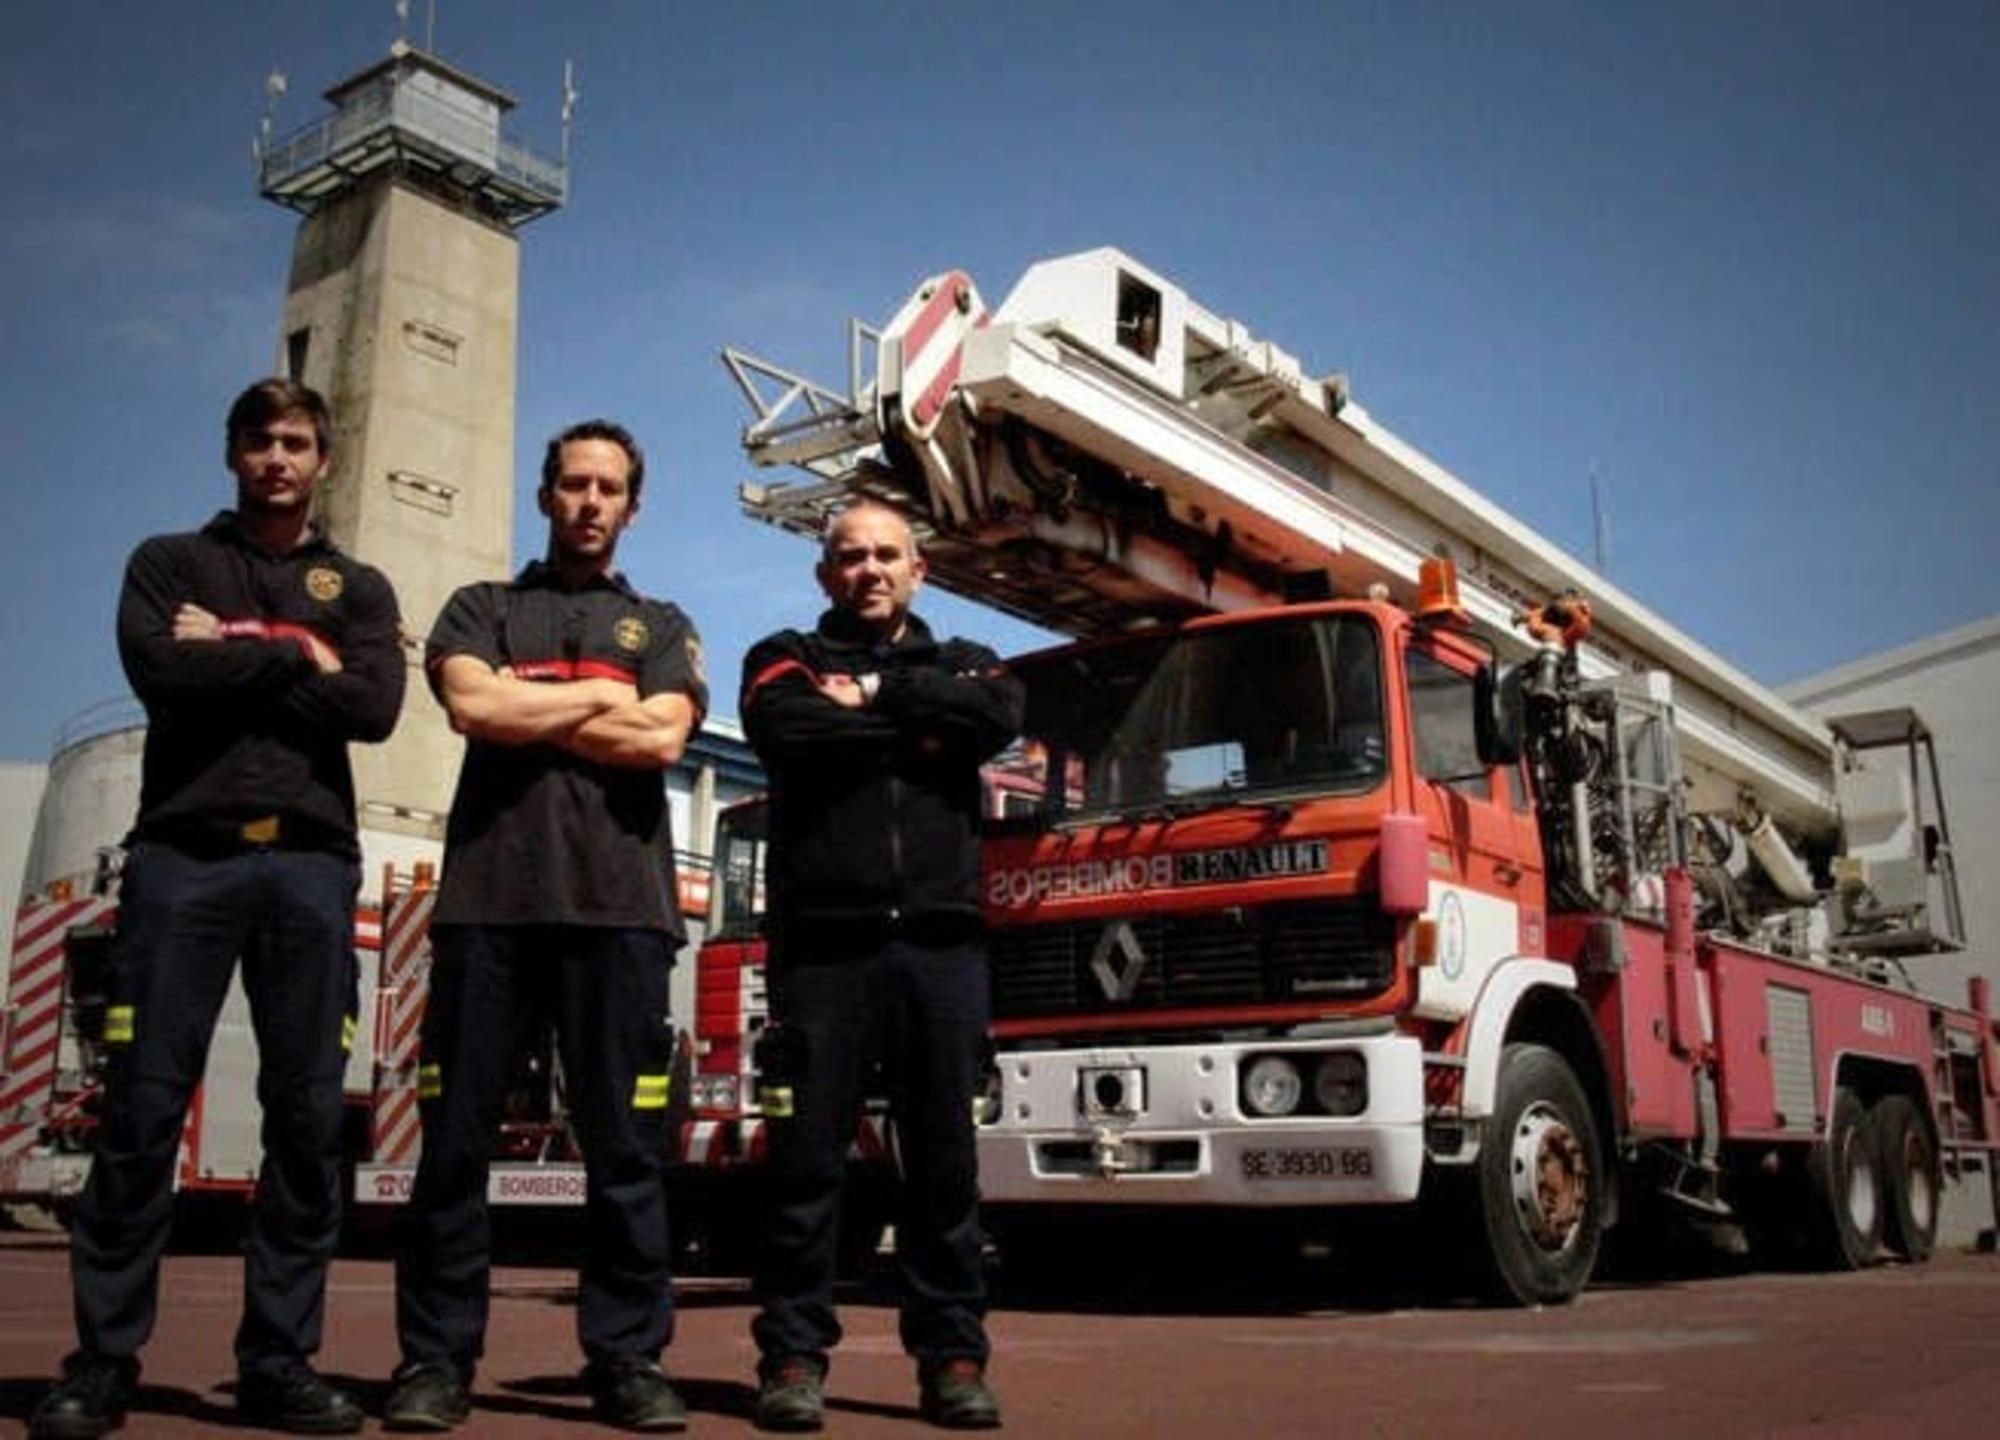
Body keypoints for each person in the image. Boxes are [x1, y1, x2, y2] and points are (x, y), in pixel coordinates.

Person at [31, 379, 405, 1440]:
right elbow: (160, 674)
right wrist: (300, 653)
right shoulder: (167, 564)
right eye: (259, 442)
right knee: (142, 1115)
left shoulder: (361, 585)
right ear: (232, 453)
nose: (277, 459)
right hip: (181, 860)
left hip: (309, 867)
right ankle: (102, 1364)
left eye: (295, 443)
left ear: (323, 460)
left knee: (303, 1122)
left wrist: (238, 646)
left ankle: (278, 1362)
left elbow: (372, 710)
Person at [383, 420, 705, 1434]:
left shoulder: (658, 621)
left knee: (624, 1154)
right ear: (545, 495)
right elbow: (471, 711)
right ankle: (435, 1363)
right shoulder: (483, 607)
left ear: (633, 506)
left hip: (623, 917)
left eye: (609, 487)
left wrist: (532, 699)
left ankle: (626, 1360)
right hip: (490, 909)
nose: (590, 502)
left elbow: (661, 737)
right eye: (573, 484)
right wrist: (595, 700)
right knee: (453, 1151)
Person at [741, 501, 1022, 1432]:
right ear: (825, 574)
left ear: (920, 570)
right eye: (849, 556)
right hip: (822, 949)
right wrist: (917, 729)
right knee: (806, 1166)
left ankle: (951, 1360)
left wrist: (878, 698)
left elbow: (994, 714)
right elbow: (787, 730)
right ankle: (791, 1357)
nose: (868, 569)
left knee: (944, 1166)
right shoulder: (782, 656)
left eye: (886, 555)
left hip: (941, 947)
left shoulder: (966, 658)